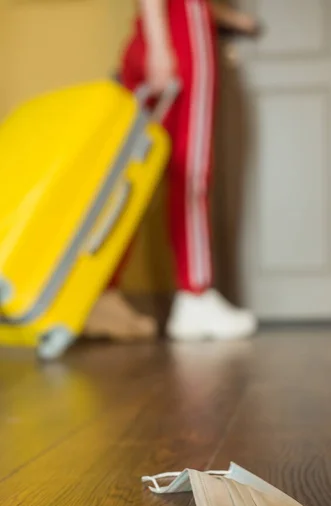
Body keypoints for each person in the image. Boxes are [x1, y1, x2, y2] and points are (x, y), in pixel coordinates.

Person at [85, 0, 259, 342]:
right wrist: (161, 42)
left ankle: (101, 291)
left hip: (154, 31)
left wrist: (226, 19)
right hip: (179, 35)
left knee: (129, 173)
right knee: (190, 168)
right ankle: (194, 295)